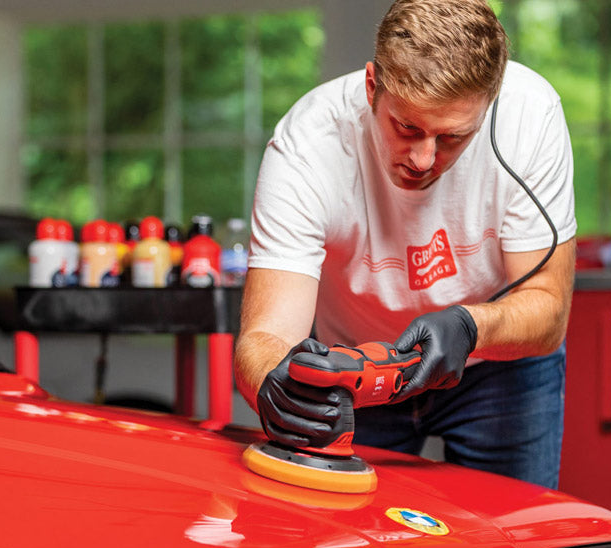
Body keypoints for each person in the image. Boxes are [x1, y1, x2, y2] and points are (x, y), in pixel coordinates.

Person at [234, 0, 576, 489]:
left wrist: (469, 325)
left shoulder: (531, 116)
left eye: (454, 137)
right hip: (356, 370)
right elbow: (265, 336)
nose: (423, 158)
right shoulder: (307, 144)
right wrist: (279, 385)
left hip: (497, 367)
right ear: (373, 86)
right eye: (407, 127)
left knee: (515, 539)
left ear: (491, 101)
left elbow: (550, 312)